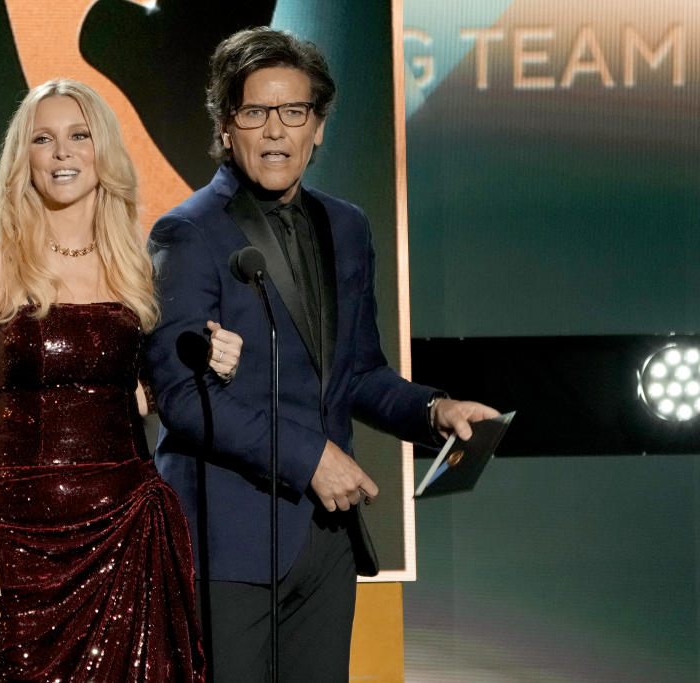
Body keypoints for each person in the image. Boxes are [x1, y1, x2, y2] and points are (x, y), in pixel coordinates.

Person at [145, 28, 499, 682]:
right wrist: (309, 457)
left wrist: (435, 410)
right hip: (228, 542)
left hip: (325, 543)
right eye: (255, 112)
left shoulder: (348, 227)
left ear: (319, 127)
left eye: (294, 112)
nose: (276, 130)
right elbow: (183, 399)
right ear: (226, 127)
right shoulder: (187, 233)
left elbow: (359, 374)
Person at [0, 79, 241, 681]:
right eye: (43, 140)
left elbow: (132, 397)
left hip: (128, 528)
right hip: (22, 544)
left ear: (101, 151)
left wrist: (203, 362)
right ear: (21, 159)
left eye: (79, 136)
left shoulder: (133, 261)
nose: (62, 154)